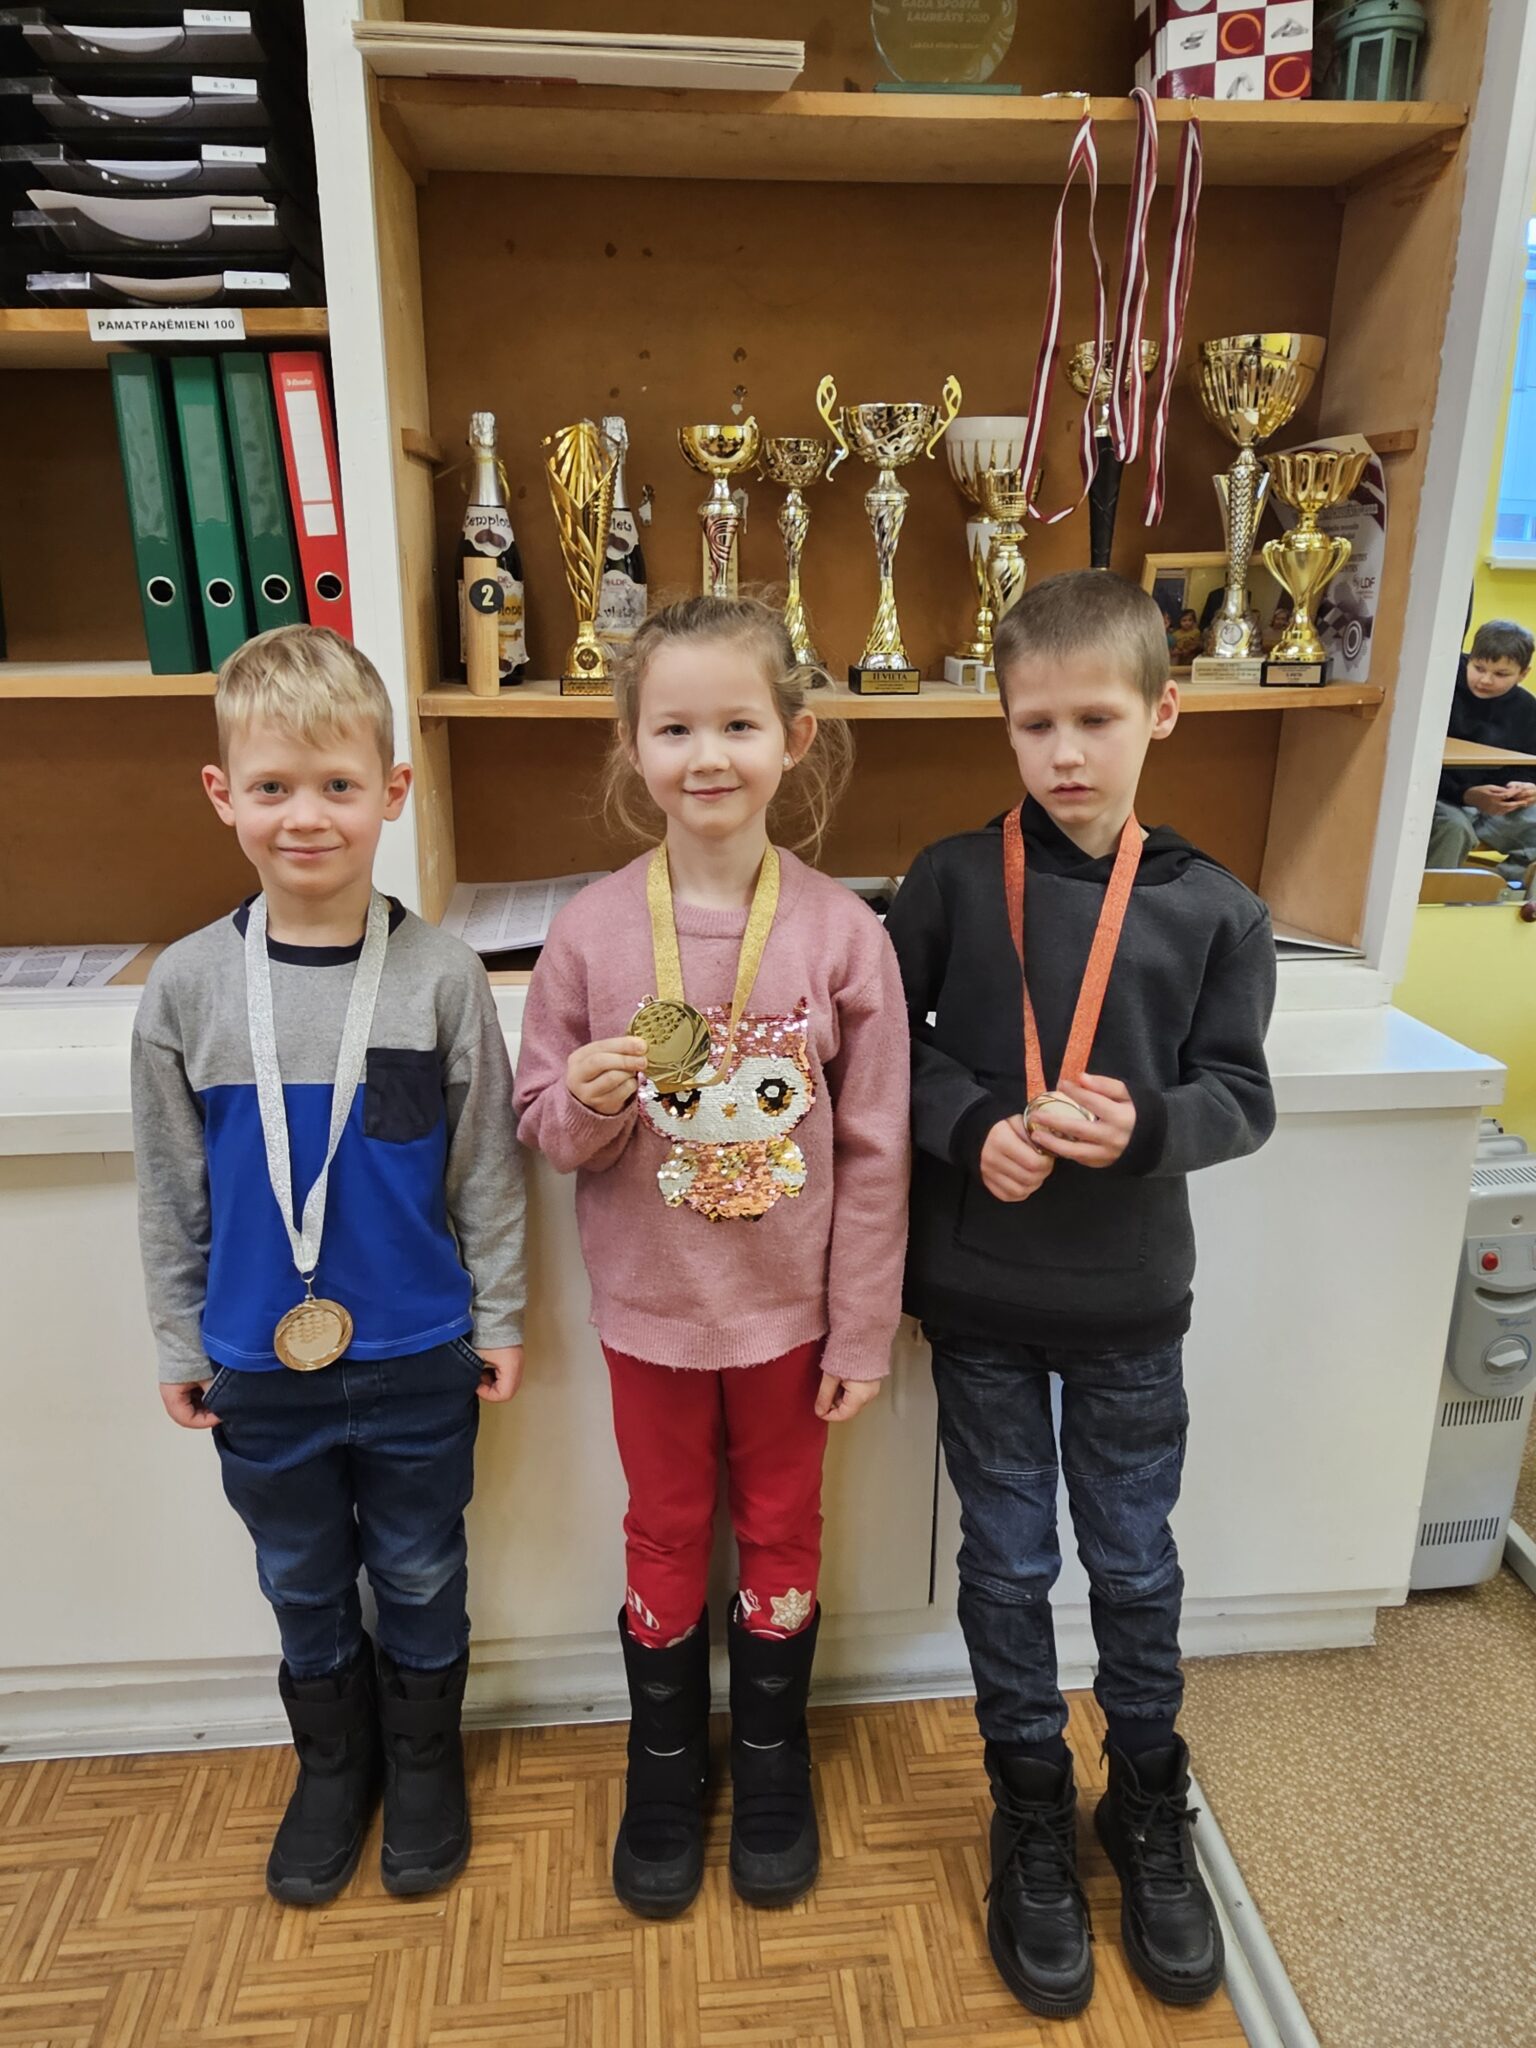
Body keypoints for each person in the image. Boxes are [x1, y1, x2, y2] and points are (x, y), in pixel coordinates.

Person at [885, 571, 1276, 2021]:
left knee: (1133, 1564)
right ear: (1002, 721)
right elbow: (887, 1048)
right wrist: (969, 1121)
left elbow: (1241, 1095)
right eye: (1034, 722)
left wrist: (1151, 1124)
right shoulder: (945, 880)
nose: (1064, 752)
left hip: (1130, 1307)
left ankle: (1148, 1799)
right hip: (980, 1298)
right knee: (1004, 1566)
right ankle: (1031, 1805)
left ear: (1162, 712)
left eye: (1096, 719)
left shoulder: (1217, 909)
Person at [513, 594, 908, 1920]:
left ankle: (776, 1754)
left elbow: (878, 1151)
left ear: (795, 737)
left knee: (783, 1527)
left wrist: (862, 1328)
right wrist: (588, 1099)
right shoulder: (589, 931)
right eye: (674, 728)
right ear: (633, 745)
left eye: (738, 723)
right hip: (651, 1317)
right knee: (666, 1527)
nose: (707, 756)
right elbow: (543, 1128)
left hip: (795, 1322)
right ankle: (666, 1761)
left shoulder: (843, 935)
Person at [131, 626, 525, 1906]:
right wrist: (180, 1337)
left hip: (419, 1352)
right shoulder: (189, 987)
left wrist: (501, 1314)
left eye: (338, 784)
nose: (306, 815)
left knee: (420, 1565)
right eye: (273, 786)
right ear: (222, 793)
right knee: (300, 1576)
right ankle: (333, 1764)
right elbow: (171, 1189)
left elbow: (485, 1167)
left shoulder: (442, 976)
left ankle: (424, 1761)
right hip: (258, 1359)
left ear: (392, 790)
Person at [1427, 620, 1536, 871]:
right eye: (1478, 668)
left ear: (1523, 674)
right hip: (1444, 797)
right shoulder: (1440, 687)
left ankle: (1498, 887)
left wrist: (1525, 788)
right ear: (1469, 658)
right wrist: (1466, 794)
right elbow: (1418, 766)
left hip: (1494, 807)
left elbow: (1528, 766)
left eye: (1501, 674)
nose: (1485, 680)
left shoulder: (1527, 709)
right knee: (1454, 828)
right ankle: (1434, 893)